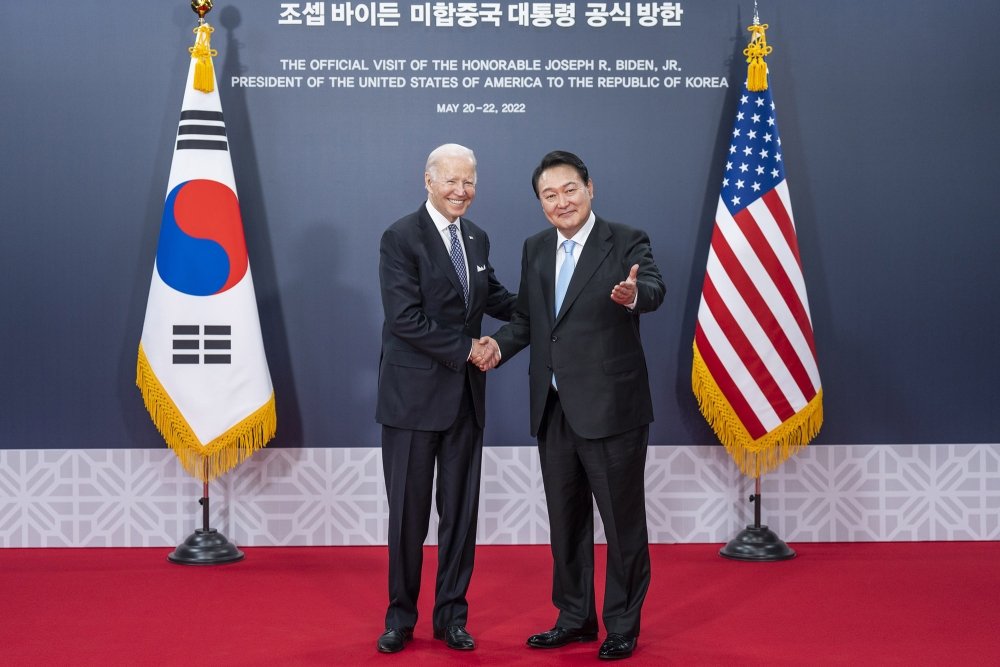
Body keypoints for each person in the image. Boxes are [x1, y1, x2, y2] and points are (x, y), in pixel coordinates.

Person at [478, 150, 664, 660]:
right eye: (549, 195)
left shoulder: (625, 239)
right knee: (566, 521)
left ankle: (622, 624)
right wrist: (500, 345)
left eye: (569, 190)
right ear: (540, 204)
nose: (562, 201)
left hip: (611, 407)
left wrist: (633, 295)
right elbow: (528, 319)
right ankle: (575, 617)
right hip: (554, 406)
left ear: (590, 188)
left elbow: (652, 287)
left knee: (622, 522)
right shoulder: (536, 248)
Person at [375, 144, 516, 654]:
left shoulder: (475, 238)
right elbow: (403, 318)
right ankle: (400, 618)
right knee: (408, 516)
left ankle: (452, 617)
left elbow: (494, 297)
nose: (462, 191)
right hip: (411, 402)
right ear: (428, 181)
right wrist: (470, 350)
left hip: (464, 403)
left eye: (470, 182)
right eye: (452, 181)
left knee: (461, 515)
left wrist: (549, 302)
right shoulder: (400, 236)